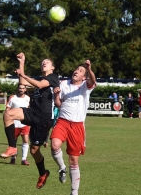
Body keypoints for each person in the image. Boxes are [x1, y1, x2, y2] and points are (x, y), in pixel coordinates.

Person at [0, 52, 59, 189]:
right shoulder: (39, 80)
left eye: (47, 62)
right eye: (42, 61)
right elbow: (22, 83)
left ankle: (43, 173)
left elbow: (38, 83)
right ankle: (13, 148)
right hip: (33, 112)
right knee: (8, 114)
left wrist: (24, 75)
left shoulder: (53, 78)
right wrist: (22, 62)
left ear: (53, 67)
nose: (44, 62)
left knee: (33, 151)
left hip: (44, 119)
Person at [50, 60, 96, 195]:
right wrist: (56, 95)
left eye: (81, 71)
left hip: (77, 126)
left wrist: (89, 69)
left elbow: (92, 81)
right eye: (76, 69)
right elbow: (58, 104)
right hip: (63, 122)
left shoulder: (85, 86)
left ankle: (74, 192)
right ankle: (62, 167)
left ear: (84, 76)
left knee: (74, 160)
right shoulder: (63, 84)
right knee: (54, 145)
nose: (76, 71)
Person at [6, 84, 30, 165]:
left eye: (23, 88)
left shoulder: (28, 98)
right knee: (14, 141)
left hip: (25, 123)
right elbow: (7, 109)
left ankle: (24, 159)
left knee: (26, 140)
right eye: (20, 88)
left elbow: (30, 109)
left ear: (25, 89)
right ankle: (13, 158)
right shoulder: (12, 98)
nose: (21, 90)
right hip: (14, 123)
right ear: (17, 89)